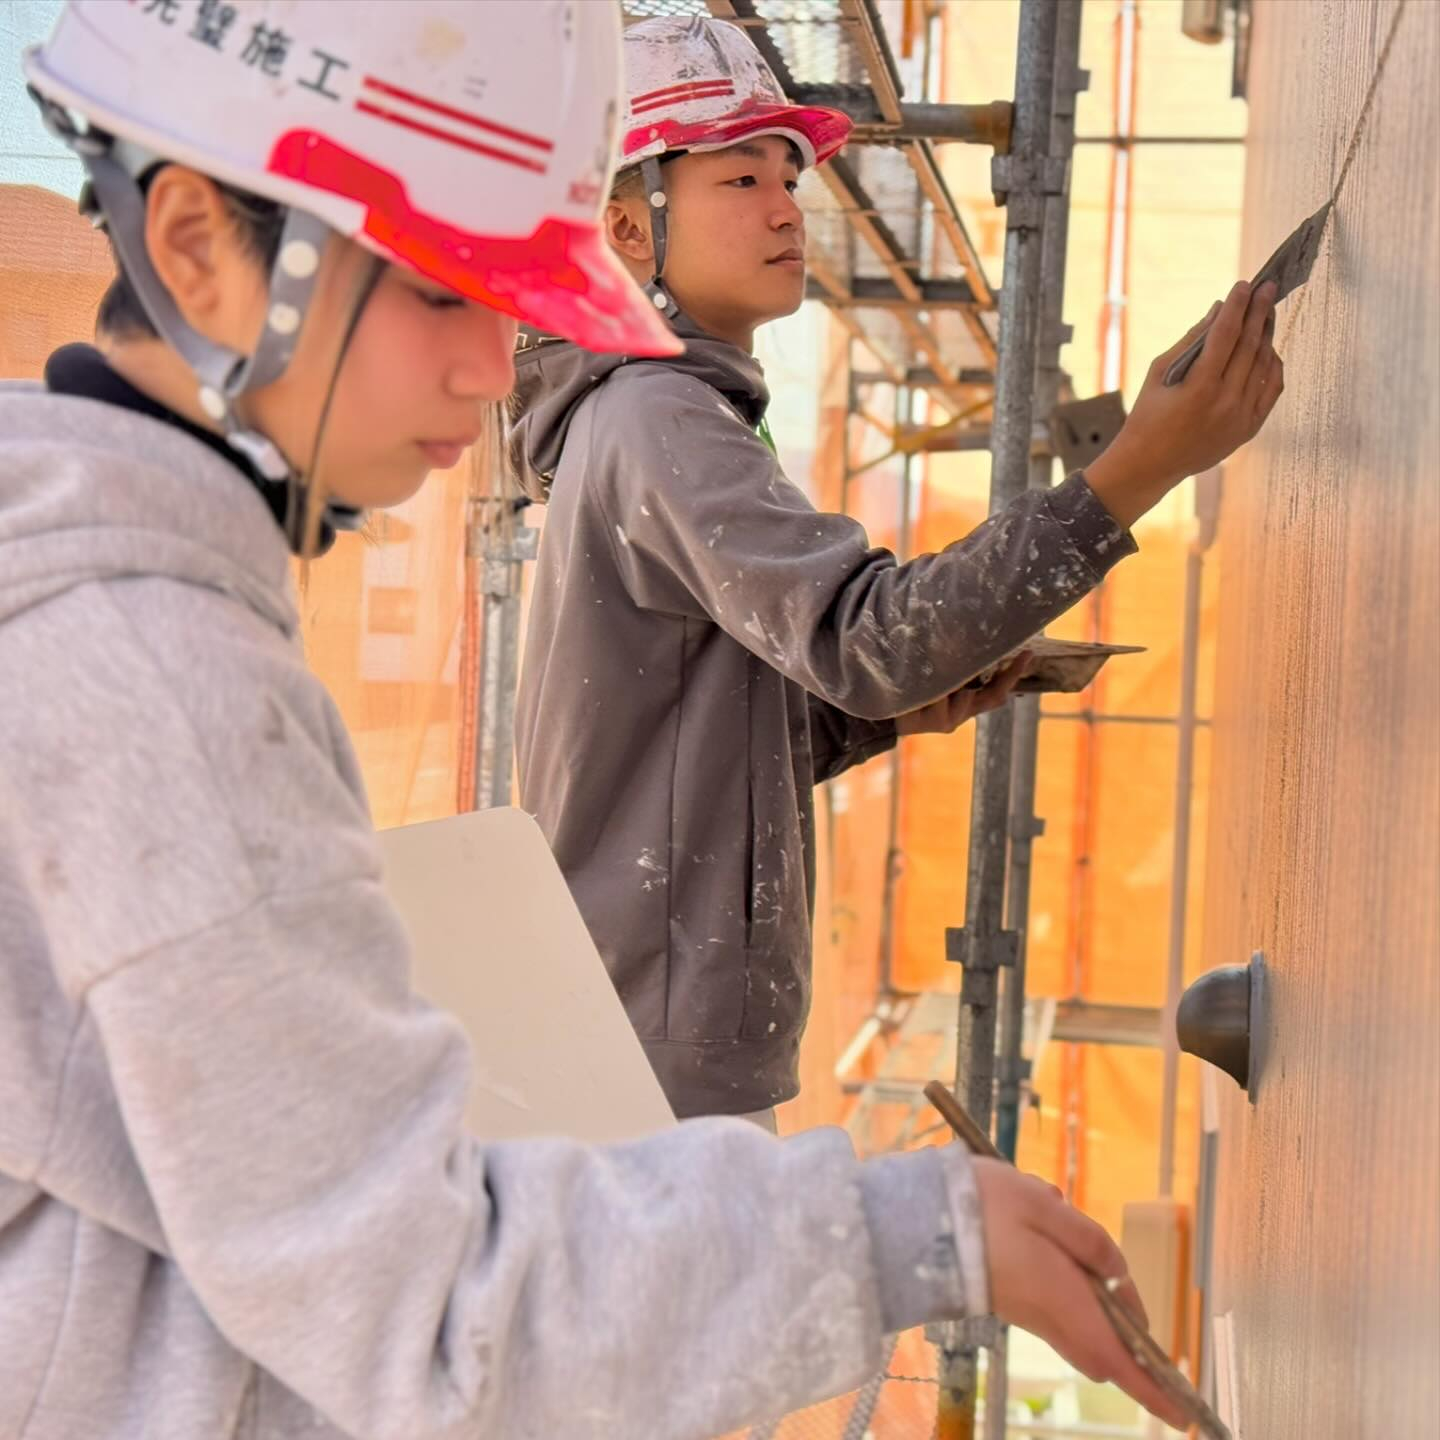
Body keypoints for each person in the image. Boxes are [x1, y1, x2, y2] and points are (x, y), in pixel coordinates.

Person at [0, 2, 1191, 1437]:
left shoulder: (117, 616)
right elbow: (432, 1303)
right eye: (442, 284)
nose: (495, 367)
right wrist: (917, 1233)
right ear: (194, 243)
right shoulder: (147, 674)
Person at [512, 15, 1283, 1128]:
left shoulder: (647, 415)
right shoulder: (655, 415)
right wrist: (1138, 469)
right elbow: (867, 642)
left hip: (644, 1034)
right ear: (629, 229)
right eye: (743, 177)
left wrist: (881, 722)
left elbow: (686, 748)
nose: (790, 206)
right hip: (654, 1065)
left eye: (793, 175)